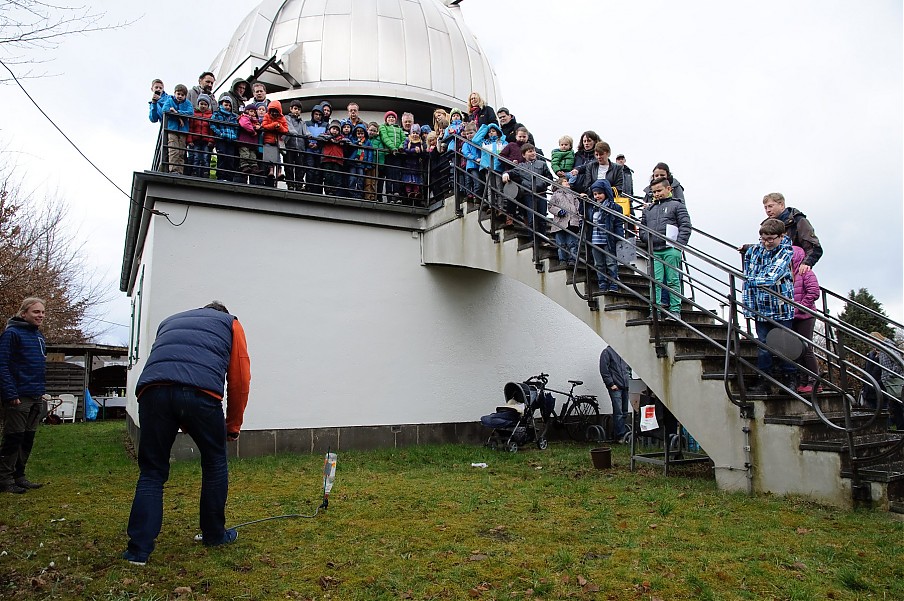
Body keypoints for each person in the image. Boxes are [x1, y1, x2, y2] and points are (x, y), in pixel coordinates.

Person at [122, 301, 250, 566]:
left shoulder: (169, 321)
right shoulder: (231, 323)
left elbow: (166, 364)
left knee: (152, 471)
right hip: (200, 394)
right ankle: (214, 534)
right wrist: (233, 425)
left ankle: (138, 551)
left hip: (152, 392)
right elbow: (239, 379)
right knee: (214, 462)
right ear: (222, 314)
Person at [742, 218, 795, 393]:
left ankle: (789, 378)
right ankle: (764, 380)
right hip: (760, 306)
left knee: (784, 344)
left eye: (771, 239)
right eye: (764, 239)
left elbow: (772, 276)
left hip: (780, 306)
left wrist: (752, 281)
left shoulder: (786, 252)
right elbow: (748, 273)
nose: (767, 243)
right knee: (763, 344)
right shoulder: (754, 251)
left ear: (781, 236)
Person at [0, 298, 47, 494]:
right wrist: (11, 394)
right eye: (36, 312)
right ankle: (4, 479)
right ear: (23, 313)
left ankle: (19, 475)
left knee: (27, 438)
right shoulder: (11, 334)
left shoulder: (38, 336)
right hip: (18, 397)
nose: (40, 315)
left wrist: (41, 392)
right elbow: (2, 366)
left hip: (35, 395)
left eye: (42, 312)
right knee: (13, 438)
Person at [640, 177, 692, 317]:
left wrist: (678, 246)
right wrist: (647, 239)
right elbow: (642, 229)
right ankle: (654, 310)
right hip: (654, 250)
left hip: (671, 249)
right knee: (655, 282)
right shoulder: (649, 209)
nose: (656, 194)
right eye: (654, 192)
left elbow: (686, 226)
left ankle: (675, 311)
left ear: (669, 189)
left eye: (659, 190)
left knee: (672, 280)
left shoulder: (677, 205)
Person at [762, 193, 823, 274]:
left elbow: (813, 247)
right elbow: (763, 247)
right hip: (772, 270)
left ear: (781, 205)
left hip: (794, 269)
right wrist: (746, 248)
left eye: (770, 206)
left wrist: (806, 263)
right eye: (765, 207)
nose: (768, 210)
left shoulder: (798, 221)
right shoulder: (766, 225)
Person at [504, 143, 552, 235]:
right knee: (531, 219)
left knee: (542, 218)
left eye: (533, 151)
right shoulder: (521, 166)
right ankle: (532, 240)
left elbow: (549, 178)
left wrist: (542, 184)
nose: (533, 153)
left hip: (541, 193)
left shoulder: (542, 164)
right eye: (530, 151)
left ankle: (542, 239)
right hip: (528, 195)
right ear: (523, 154)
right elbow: (511, 172)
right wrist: (506, 174)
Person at [790, 246, 821, 393]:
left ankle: (814, 381)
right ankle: (803, 381)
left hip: (805, 316)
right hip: (793, 316)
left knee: (807, 349)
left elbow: (814, 291)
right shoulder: (787, 273)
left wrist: (801, 306)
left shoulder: (805, 271)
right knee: (797, 349)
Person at [588, 179, 625, 292]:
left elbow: (618, 224)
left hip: (608, 239)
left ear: (606, 193)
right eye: (595, 194)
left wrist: (619, 237)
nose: (597, 196)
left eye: (599, 193)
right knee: (598, 263)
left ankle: (613, 283)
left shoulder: (615, 207)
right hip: (594, 239)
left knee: (611, 262)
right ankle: (602, 283)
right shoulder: (591, 207)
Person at [600, 345, 631, 443]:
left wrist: (630, 380)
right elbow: (604, 370)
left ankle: (618, 433)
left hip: (626, 386)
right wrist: (611, 384)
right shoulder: (607, 352)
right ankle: (620, 436)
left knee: (625, 412)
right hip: (615, 387)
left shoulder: (624, 352)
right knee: (619, 412)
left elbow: (629, 368)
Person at [160, 84, 194, 174]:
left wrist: (177, 112)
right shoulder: (169, 100)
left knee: (181, 152)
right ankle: (173, 170)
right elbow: (165, 110)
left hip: (183, 130)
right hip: (172, 129)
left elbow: (190, 113)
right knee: (173, 149)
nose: (180, 96)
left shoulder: (187, 103)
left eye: (182, 95)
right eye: (178, 94)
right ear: (174, 93)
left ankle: (180, 171)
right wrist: (179, 118)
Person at [548, 177, 581, 265]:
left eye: (567, 181)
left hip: (572, 221)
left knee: (572, 243)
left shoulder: (573, 195)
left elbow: (578, 208)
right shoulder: (556, 194)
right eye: (565, 181)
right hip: (560, 222)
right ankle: (562, 259)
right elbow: (550, 206)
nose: (567, 183)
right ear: (559, 184)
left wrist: (579, 218)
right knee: (561, 243)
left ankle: (572, 259)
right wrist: (558, 211)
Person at [210, 95, 239, 182]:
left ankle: (229, 177)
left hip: (231, 139)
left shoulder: (233, 117)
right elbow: (212, 124)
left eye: (229, 106)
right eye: (226, 105)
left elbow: (237, 127)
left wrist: (235, 135)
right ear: (221, 104)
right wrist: (220, 133)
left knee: (230, 158)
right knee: (221, 156)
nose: (228, 107)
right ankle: (221, 176)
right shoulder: (217, 114)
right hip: (221, 139)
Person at [379, 111, 406, 200]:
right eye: (389, 117)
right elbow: (384, 137)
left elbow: (404, 139)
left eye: (393, 117)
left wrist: (400, 147)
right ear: (386, 119)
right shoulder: (383, 127)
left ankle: (397, 194)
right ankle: (389, 195)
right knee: (389, 174)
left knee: (397, 174)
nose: (391, 119)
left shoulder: (399, 129)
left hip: (397, 154)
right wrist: (392, 147)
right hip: (388, 154)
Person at [261, 100, 289, 186]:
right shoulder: (266, 116)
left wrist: (279, 127)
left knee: (278, 157)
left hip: (277, 141)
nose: (274, 114)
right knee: (269, 156)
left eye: (276, 111)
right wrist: (274, 125)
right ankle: (271, 170)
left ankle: (279, 171)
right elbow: (264, 126)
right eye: (272, 111)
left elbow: (286, 130)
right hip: (268, 140)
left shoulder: (282, 118)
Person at [186, 94, 214, 178]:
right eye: (201, 104)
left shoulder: (210, 116)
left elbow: (211, 130)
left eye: (205, 104)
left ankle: (206, 172)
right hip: (196, 139)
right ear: (198, 104)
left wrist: (211, 140)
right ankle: (195, 172)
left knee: (206, 156)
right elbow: (190, 127)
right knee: (196, 156)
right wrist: (189, 140)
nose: (203, 106)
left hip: (206, 141)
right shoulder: (194, 114)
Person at [284, 100, 310, 191]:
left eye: (298, 109)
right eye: (295, 109)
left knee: (300, 167)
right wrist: (295, 133)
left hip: (300, 147)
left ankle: (299, 184)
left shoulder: (302, 122)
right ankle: (290, 183)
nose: (297, 111)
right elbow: (290, 129)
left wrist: (309, 137)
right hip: (290, 146)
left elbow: (306, 132)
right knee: (289, 166)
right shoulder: (287, 118)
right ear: (291, 109)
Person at [319, 119, 348, 197]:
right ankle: (328, 190)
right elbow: (320, 137)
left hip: (338, 161)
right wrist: (329, 139)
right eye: (333, 129)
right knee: (327, 176)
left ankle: (335, 191)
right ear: (330, 129)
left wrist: (341, 142)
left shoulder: (342, 138)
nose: (335, 131)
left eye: (337, 129)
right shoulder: (325, 136)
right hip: (327, 159)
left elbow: (348, 142)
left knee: (336, 177)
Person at [304, 104, 327, 194]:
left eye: (320, 115)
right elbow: (304, 135)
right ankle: (308, 189)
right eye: (316, 114)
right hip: (309, 150)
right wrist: (308, 144)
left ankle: (317, 191)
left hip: (320, 152)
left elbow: (326, 137)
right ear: (313, 114)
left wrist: (318, 145)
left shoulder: (326, 125)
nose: (318, 116)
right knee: (310, 170)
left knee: (318, 172)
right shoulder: (306, 123)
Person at [348, 123, 373, 199]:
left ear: (365, 134)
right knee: (352, 178)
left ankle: (359, 194)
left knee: (360, 178)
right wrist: (356, 143)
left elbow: (370, 153)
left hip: (362, 163)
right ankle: (351, 193)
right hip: (353, 162)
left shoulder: (367, 142)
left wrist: (368, 164)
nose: (360, 135)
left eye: (362, 133)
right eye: (358, 133)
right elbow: (349, 148)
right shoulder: (352, 140)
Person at [402, 125, 425, 199]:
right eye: (413, 133)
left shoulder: (420, 142)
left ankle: (416, 192)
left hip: (416, 163)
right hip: (408, 162)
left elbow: (423, 152)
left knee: (416, 178)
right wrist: (413, 150)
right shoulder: (407, 140)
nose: (415, 135)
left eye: (417, 133)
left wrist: (420, 151)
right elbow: (405, 149)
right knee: (409, 178)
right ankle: (408, 191)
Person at [366, 121, 385, 201]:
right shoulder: (366, 139)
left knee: (373, 181)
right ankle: (367, 196)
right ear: (367, 129)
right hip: (367, 163)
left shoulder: (379, 140)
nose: (372, 132)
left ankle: (373, 197)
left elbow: (381, 152)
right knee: (367, 180)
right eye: (371, 130)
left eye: (374, 131)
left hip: (375, 163)